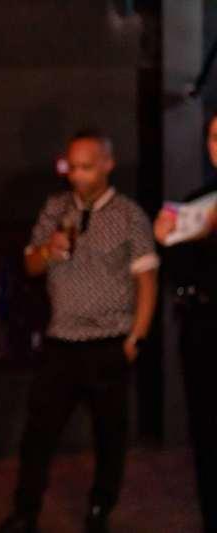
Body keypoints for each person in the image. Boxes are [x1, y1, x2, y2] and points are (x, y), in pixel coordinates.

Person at [0, 130, 159, 533]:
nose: (77, 175)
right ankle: (25, 513)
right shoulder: (56, 208)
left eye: (86, 167)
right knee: (38, 435)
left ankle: (100, 510)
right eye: (72, 167)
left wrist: (136, 339)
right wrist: (48, 250)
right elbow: (31, 265)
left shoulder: (129, 215)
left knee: (109, 437)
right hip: (61, 342)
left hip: (109, 342)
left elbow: (147, 281)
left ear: (107, 165)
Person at [153, 112, 217, 533]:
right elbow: (181, 274)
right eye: (213, 137)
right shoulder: (197, 200)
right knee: (207, 433)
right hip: (203, 329)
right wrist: (167, 240)